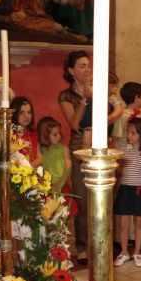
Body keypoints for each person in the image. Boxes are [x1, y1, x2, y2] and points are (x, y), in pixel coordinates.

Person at [59, 50, 92, 264]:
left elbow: (116, 109)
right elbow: (73, 124)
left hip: (99, 144)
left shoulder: (99, 88)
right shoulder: (66, 96)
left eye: (88, 65)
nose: (87, 69)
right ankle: (82, 246)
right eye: (82, 66)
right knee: (82, 198)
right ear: (71, 71)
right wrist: (86, 100)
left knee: (101, 196)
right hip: (79, 147)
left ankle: (100, 241)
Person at [113, 117, 141, 267]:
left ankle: (137, 251)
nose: (129, 135)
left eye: (133, 133)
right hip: (125, 188)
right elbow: (116, 156)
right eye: (128, 132)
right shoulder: (125, 148)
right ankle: (124, 252)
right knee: (123, 224)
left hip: (140, 189)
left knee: (139, 223)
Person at [37, 116, 72, 193]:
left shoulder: (64, 149)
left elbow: (68, 169)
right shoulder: (41, 149)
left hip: (61, 186)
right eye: (55, 134)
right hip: (45, 188)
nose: (59, 136)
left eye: (59, 133)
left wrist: (59, 185)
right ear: (45, 136)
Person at [111, 82, 141, 150]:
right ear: (137, 97)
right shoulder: (122, 115)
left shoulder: (138, 115)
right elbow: (115, 139)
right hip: (124, 153)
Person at [10, 96, 43, 168]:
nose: (26, 116)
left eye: (29, 112)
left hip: (31, 171)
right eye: (21, 113)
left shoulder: (34, 133)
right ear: (14, 114)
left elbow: (40, 158)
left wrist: (27, 169)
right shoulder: (10, 134)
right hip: (16, 173)